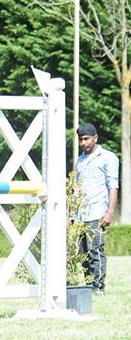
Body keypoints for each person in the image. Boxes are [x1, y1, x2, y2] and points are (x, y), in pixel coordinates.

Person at [74, 122, 119, 295]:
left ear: (95, 138)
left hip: (97, 211)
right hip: (80, 213)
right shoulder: (81, 159)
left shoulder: (108, 157)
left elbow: (113, 186)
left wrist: (109, 212)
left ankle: (98, 287)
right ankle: (88, 285)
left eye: (86, 139)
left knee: (95, 250)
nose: (83, 143)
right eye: (80, 140)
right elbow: (77, 186)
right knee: (82, 252)